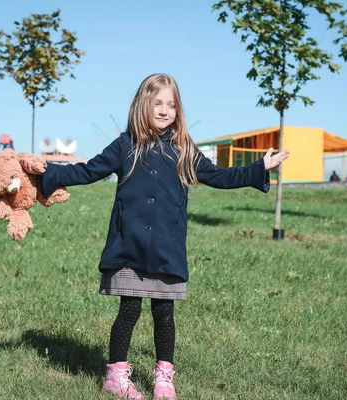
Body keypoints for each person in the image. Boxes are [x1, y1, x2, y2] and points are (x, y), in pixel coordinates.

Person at [29, 74, 290, 400]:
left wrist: (257, 168)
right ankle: (116, 375)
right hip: (129, 247)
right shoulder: (126, 144)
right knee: (129, 310)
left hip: (167, 249)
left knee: (164, 314)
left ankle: (164, 377)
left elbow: (218, 176)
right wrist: (47, 173)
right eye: (158, 103)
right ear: (143, 104)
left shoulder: (184, 149)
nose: (165, 110)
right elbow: (88, 170)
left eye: (172, 104)